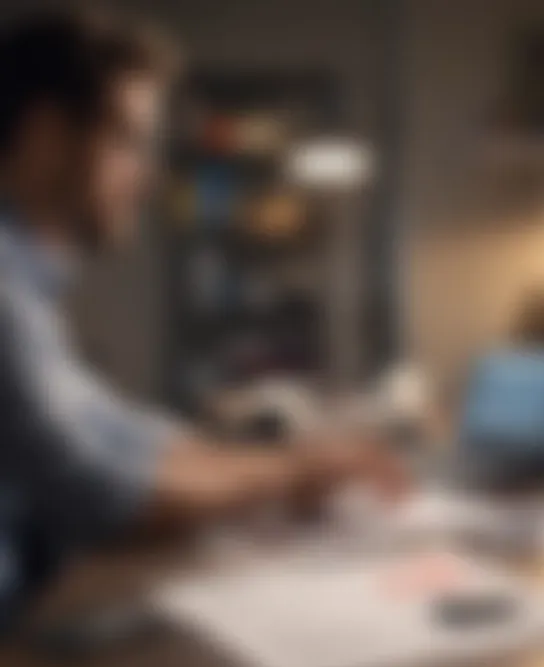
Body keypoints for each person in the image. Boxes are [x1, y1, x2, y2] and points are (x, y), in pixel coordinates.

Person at [0, 9, 406, 627]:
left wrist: (300, 462)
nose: (147, 176)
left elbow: (127, 438)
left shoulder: (27, 285)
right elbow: (101, 498)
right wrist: (290, 476)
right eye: (128, 140)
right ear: (47, 135)